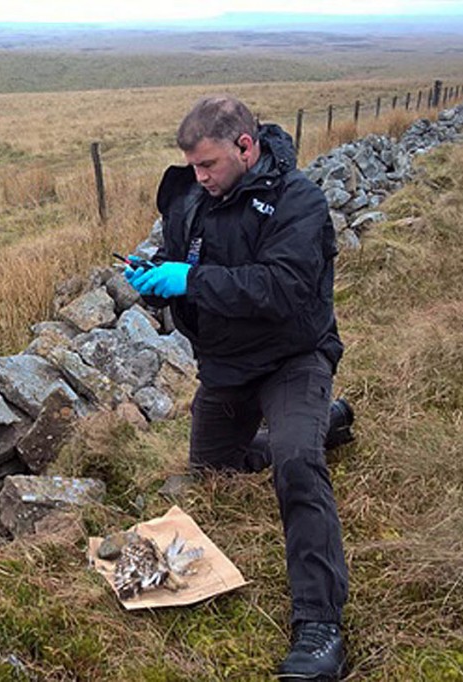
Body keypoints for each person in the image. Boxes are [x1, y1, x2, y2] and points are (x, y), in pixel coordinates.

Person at [124, 96, 354, 680]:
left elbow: (282, 289)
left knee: (296, 464)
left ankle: (319, 622)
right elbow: (182, 264)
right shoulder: (193, 200)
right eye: (193, 168)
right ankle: (324, 422)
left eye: (208, 165)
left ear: (245, 148)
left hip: (291, 356)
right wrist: (156, 277)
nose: (198, 178)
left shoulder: (298, 201)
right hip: (225, 366)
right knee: (214, 471)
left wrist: (193, 279)